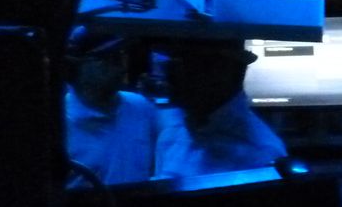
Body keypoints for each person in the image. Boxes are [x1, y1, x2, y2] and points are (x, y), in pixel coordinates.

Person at [153, 39, 287, 178]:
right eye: (172, 64)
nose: (171, 77)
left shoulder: (263, 155)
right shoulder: (172, 135)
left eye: (191, 64)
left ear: (232, 73)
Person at [63, 25, 158, 186]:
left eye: (121, 56)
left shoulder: (141, 107)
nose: (121, 67)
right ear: (77, 66)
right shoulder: (59, 122)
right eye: (108, 58)